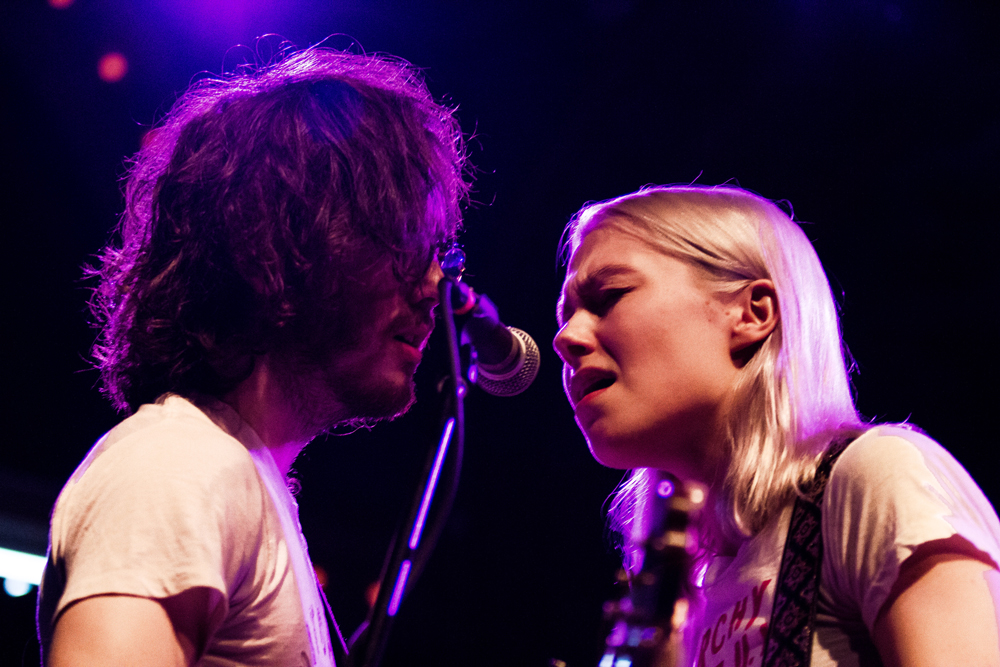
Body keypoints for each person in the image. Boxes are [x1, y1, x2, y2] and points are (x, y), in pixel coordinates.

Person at [36, 46, 469, 667]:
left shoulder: (236, 476)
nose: (434, 286)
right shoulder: (178, 466)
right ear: (286, 247)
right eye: (405, 242)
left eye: (439, 255)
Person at [553, 185, 1000, 667]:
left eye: (609, 296)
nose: (565, 338)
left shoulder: (873, 478)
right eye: (565, 315)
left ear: (752, 313)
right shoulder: (676, 601)